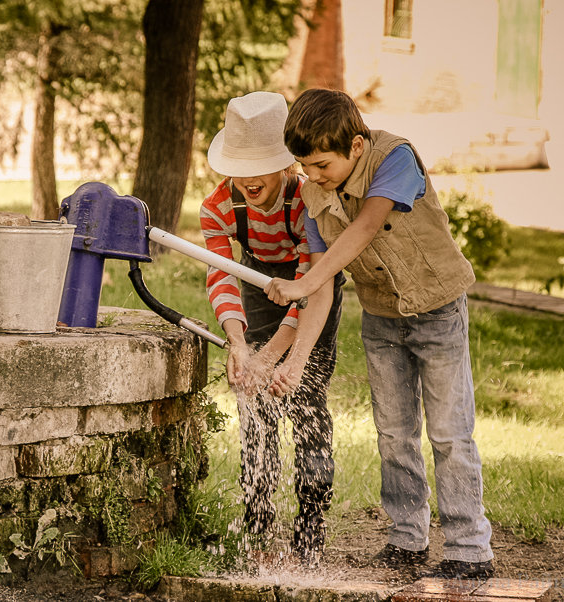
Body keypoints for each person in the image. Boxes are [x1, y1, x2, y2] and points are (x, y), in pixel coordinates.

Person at [263, 88, 494, 578]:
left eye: (322, 165)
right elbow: (322, 287)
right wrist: (295, 357)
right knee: (394, 433)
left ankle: (469, 547)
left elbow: (367, 225)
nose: (312, 177)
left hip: (437, 311)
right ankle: (407, 538)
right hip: (381, 318)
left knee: (451, 433)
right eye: (304, 168)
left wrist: (305, 278)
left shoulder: (396, 157)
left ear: (356, 147)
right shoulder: (314, 194)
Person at [201, 91, 345, 561]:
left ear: (286, 163)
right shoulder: (218, 207)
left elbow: (310, 280)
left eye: (258, 164)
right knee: (255, 401)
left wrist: (274, 356)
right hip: (258, 283)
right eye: (237, 166)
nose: (246, 179)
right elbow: (221, 273)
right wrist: (239, 345)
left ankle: (311, 521)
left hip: (313, 282)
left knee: (303, 392)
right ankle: (258, 520)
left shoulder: (310, 201)